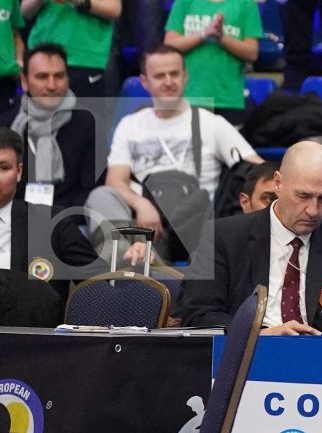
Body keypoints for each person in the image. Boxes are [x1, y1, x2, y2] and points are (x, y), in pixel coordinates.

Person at [180, 140, 322, 337]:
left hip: (318, 361)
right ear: (278, 183)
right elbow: (199, 315)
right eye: (303, 196)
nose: (313, 211)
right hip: (244, 358)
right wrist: (257, 334)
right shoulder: (222, 237)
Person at [88, 45, 263, 258]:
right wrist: (142, 204)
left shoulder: (211, 123)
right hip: (136, 218)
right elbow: (115, 181)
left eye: (174, 74)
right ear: (145, 82)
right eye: (160, 76)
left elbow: (257, 169)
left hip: (188, 226)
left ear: (185, 76)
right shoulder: (130, 124)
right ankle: (129, 261)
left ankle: (136, 267)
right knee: (101, 196)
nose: (169, 82)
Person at [0, 126, 99, 315]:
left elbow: (100, 286)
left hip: (36, 339)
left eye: (3, 168)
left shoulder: (53, 223)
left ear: (19, 172)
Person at [162, 0, 262, 119]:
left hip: (229, 99)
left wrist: (221, 38)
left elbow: (252, 52)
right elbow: (170, 44)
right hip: (191, 98)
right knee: (195, 149)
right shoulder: (185, 0)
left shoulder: (245, 3)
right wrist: (203, 34)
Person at [3, 43, 102, 215]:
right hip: (15, 222)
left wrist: (57, 220)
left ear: (68, 79)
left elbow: (93, 189)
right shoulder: (6, 125)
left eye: (59, 76)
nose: (51, 85)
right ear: (25, 82)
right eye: (42, 77)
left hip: (72, 221)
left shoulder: (87, 123)